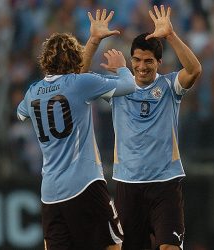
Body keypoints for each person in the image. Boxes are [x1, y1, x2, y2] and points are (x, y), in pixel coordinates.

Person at [83, 4, 202, 250]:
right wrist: (93, 41)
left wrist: (170, 35)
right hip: (128, 186)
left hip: (165, 184)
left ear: (159, 61)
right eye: (136, 60)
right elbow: (77, 80)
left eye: (148, 60)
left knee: (169, 247)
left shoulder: (170, 86)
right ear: (131, 60)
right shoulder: (117, 86)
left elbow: (194, 69)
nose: (142, 66)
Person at [16, 9, 137, 250]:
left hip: (50, 192)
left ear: (45, 61)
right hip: (85, 183)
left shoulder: (32, 93)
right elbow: (129, 85)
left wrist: (92, 41)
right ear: (74, 59)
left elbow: (21, 114)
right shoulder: (81, 83)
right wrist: (122, 66)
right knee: (113, 244)